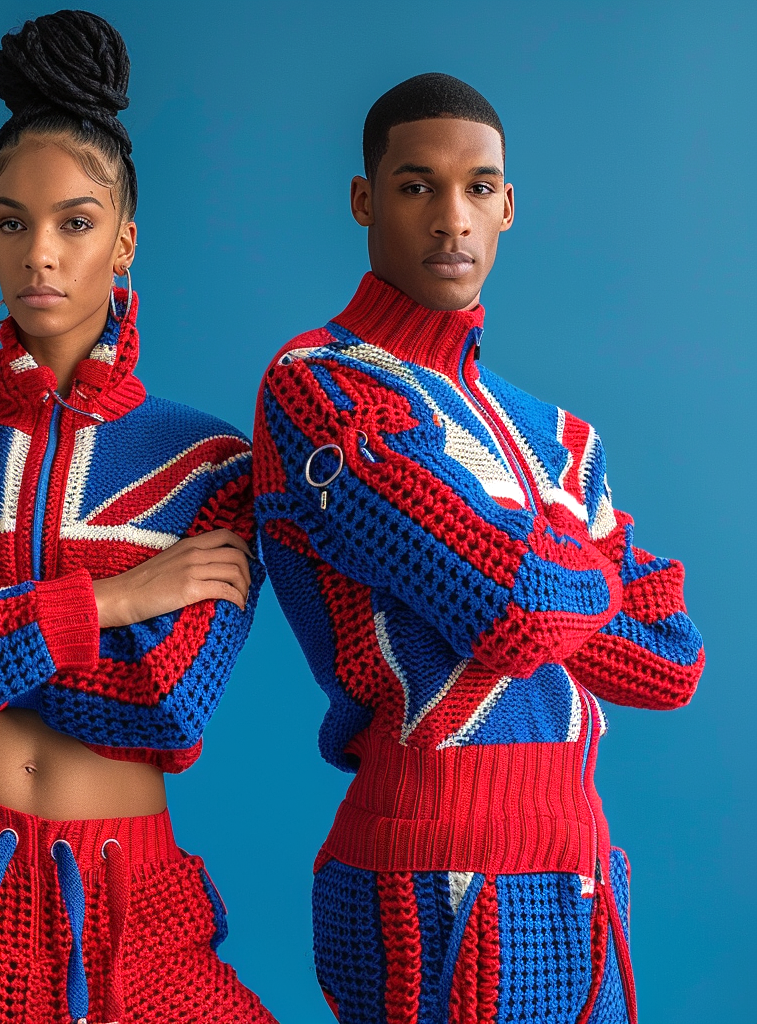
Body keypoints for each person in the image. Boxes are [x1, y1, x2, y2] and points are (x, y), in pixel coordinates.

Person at [0, 11, 276, 1024]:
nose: (41, 254)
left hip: (130, 905)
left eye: (75, 221)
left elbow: (164, 702)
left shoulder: (211, 466)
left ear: (124, 240)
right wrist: (119, 597)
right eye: (11, 220)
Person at [252, 73, 704, 1024]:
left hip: (581, 866)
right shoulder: (320, 388)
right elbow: (515, 608)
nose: (451, 218)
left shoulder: (562, 437)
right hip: (427, 867)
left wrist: (527, 564)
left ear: (507, 207)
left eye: (479, 188)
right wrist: (576, 559)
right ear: (365, 200)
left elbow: (671, 663)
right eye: (417, 186)